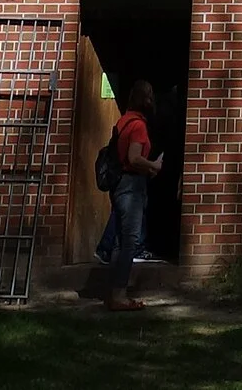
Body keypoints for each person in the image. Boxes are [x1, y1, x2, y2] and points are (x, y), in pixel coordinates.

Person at [98, 79, 164, 311]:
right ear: (145, 99)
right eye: (150, 96)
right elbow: (134, 157)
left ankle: (114, 291)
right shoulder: (138, 126)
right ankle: (120, 294)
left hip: (120, 185)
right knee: (130, 242)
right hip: (131, 187)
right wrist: (154, 166)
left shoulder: (123, 121)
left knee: (119, 241)